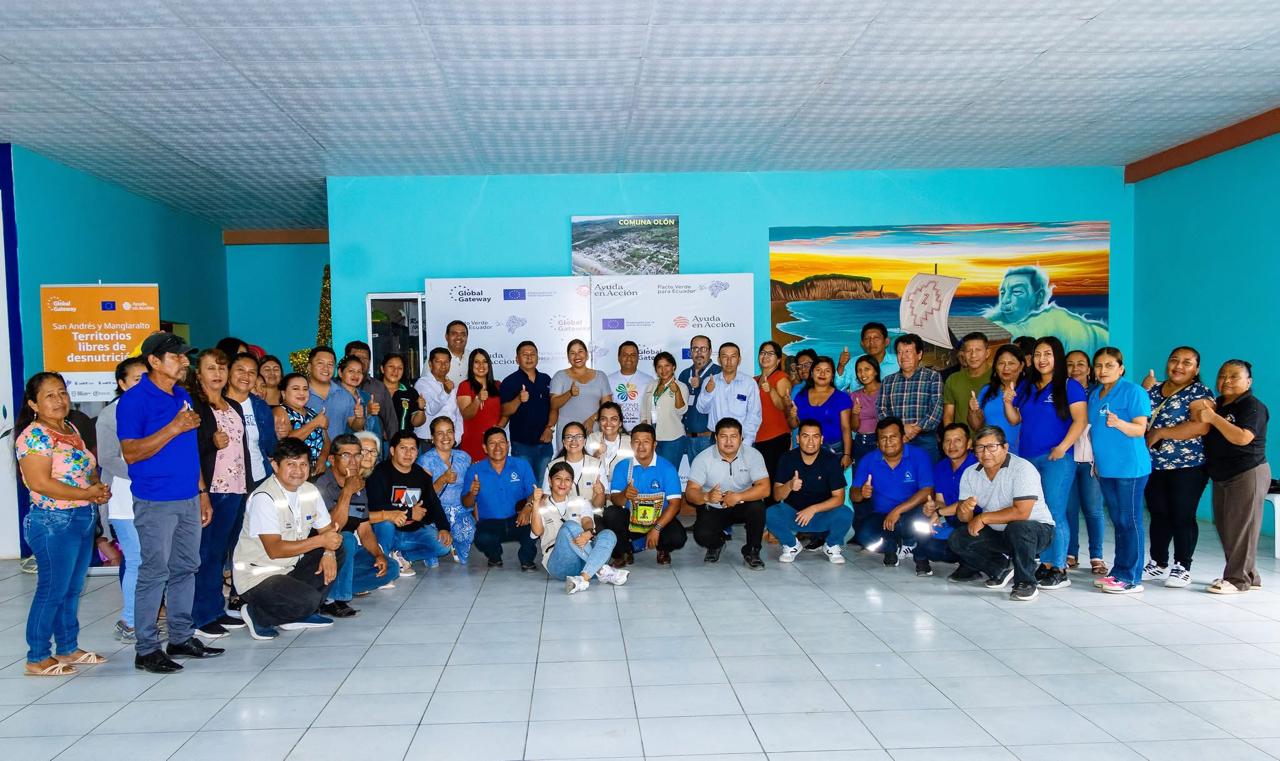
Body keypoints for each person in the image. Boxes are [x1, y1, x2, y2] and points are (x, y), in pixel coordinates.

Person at [117, 332, 223, 673]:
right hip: (155, 500)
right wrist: (174, 427)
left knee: (186, 567)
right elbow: (131, 452)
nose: (184, 362)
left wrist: (202, 492)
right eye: (176, 356)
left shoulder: (181, 395)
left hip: (189, 496)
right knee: (154, 572)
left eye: (184, 356)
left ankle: (180, 636)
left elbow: (190, 451)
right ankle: (146, 649)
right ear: (154, 361)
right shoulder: (134, 401)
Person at [16, 372, 112, 677]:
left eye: (62, 393)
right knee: (52, 590)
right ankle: (37, 656)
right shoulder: (34, 436)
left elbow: (84, 469)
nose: (59, 400)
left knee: (72, 588)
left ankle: (68, 647)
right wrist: (87, 493)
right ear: (33, 404)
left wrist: (96, 488)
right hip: (53, 521)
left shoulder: (70, 428)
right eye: (49, 395)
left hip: (82, 516)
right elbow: (40, 483)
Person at [233, 438, 346, 640]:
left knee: (339, 548)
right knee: (309, 600)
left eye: (303, 464)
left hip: (289, 568)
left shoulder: (309, 490)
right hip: (258, 576)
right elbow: (275, 549)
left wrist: (329, 551)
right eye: (291, 464)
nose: (298, 471)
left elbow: (328, 531)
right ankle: (257, 614)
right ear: (275, 466)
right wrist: (322, 542)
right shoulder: (264, 497)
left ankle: (296, 613)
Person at [943, 426, 1057, 602]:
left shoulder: (1022, 468)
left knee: (1018, 528)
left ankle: (1026, 583)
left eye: (991, 447)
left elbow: (1022, 512)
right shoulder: (970, 473)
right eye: (980, 448)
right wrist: (964, 510)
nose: (985, 453)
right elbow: (965, 518)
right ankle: (1001, 568)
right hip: (999, 531)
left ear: (1005, 447)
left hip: (1036, 530)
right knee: (959, 538)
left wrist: (983, 517)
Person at [187, 349, 252, 638]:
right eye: (211, 368)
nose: (217, 374)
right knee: (205, 553)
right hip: (211, 489)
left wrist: (247, 485)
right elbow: (188, 450)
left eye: (222, 368)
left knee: (222, 552)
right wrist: (211, 443)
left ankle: (216, 609)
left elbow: (241, 449)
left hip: (236, 488)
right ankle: (199, 616)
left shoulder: (233, 405)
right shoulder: (195, 407)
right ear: (198, 373)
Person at [1017, 336, 1087, 591]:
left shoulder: (1070, 386)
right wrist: (1006, 401)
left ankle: (1059, 567)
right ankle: (1045, 563)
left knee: (1055, 511)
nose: (1042, 359)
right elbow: (1015, 418)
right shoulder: (1027, 386)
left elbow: (1080, 421)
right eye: (1037, 354)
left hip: (1056, 458)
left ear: (1057, 357)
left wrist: (1062, 447)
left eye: (1047, 354)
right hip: (1028, 459)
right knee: (1038, 513)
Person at [1141, 346, 1213, 588]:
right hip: (1154, 465)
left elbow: (1201, 426)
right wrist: (1144, 389)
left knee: (1182, 515)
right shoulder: (1154, 389)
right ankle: (1158, 562)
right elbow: (1139, 416)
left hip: (1188, 466)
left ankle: (1182, 566)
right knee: (1159, 514)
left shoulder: (1199, 392)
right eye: (1174, 360)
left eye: (1187, 362)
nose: (1179, 366)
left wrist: (1161, 432)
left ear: (1196, 369)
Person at [1196, 360, 1270, 595]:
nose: (1226, 380)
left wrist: (1213, 418)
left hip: (1247, 472)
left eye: (1234, 376)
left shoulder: (1252, 406)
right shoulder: (1217, 404)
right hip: (1222, 474)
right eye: (1222, 375)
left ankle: (1238, 580)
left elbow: (1242, 438)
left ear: (1248, 382)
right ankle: (1250, 575)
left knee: (1241, 529)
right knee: (1228, 528)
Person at [1086, 348, 1152, 594]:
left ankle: (1131, 577)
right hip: (1106, 468)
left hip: (1130, 468)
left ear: (1121, 368)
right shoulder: (1095, 394)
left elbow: (1140, 429)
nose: (1103, 370)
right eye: (1099, 365)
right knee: (1119, 521)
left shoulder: (1133, 392)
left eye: (1109, 365)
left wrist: (1119, 423)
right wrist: (1096, 461)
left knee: (1130, 521)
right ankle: (1119, 572)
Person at [313, 434, 400, 618]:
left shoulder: (359, 485)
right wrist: (347, 492)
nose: (353, 461)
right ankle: (334, 600)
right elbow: (332, 528)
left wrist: (378, 554)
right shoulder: (321, 485)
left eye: (357, 455)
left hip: (343, 555)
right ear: (332, 460)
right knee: (346, 538)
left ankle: (325, 591)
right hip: (320, 554)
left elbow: (365, 530)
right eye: (346, 455)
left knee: (391, 568)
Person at [99, 357, 147, 644]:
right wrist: (145, 471)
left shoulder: (157, 408)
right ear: (122, 383)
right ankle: (129, 621)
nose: (144, 384)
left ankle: (146, 616)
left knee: (154, 560)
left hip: (155, 495)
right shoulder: (110, 414)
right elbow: (107, 458)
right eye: (137, 379)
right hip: (124, 498)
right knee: (136, 559)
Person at [529, 463, 630, 594]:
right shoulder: (541, 505)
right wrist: (536, 503)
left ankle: (583, 578)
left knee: (608, 534)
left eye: (567, 479)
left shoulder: (580, 500)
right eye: (558, 478)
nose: (563, 483)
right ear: (549, 480)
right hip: (560, 563)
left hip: (586, 562)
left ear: (572, 483)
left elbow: (587, 521)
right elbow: (536, 532)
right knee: (569, 526)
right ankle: (602, 570)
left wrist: (588, 532)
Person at [685, 418, 772, 569]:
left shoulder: (753, 455)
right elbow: (690, 492)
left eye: (733, 436)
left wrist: (738, 496)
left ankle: (752, 551)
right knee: (701, 535)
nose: (729, 441)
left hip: (742, 504)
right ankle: (717, 544)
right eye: (723, 436)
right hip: (714, 506)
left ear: (741, 438)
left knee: (757, 507)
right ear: (716, 437)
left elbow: (765, 488)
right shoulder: (703, 458)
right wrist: (706, 496)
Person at [851, 417, 935, 566]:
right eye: (883, 438)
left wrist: (897, 511)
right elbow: (853, 494)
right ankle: (894, 542)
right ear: (877, 442)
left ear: (903, 437)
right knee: (864, 537)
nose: (888, 442)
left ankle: (904, 540)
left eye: (893, 437)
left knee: (914, 522)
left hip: (910, 512)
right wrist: (862, 493)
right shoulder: (868, 460)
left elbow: (927, 491)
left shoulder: (919, 455)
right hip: (881, 515)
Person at [767, 420, 852, 564]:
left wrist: (813, 509)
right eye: (805, 436)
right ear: (798, 438)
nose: (810, 442)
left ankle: (832, 545)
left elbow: (839, 498)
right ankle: (791, 545)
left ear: (822, 439)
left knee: (845, 513)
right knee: (770, 513)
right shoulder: (787, 458)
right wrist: (789, 485)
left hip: (822, 514)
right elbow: (776, 495)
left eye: (815, 436)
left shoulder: (831, 460)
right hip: (795, 514)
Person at [603, 423, 688, 566]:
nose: (641, 446)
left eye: (646, 442)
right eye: (636, 441)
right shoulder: (623, 466)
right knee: (611, 514)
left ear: (655, 444)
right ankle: (625, 552)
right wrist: (625, 494)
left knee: (677, 537)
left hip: (658, 520)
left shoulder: (667, 468)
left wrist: (657, 529)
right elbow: (616, 500)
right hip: (632, 521)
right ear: (631, 444)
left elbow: (675, 505)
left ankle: (662, 549)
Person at [983, 265, 1108, 358]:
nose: (1005, 300)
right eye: (1003, 292)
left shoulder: (1052, 321)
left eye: (1016, 292)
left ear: (1040, 297)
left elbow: (1017, 332)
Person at [371, 431, 453, 571]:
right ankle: (385, 559)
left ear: (417, 453)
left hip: (413, 531)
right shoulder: (380, 473)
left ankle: (402, 556)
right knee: (385, 524)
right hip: (388, 531)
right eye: (403, 448)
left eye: (413, 449)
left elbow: (434, 503)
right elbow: (376, 506)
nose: (408, 453)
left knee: (444, 547)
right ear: (392, 451)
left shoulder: (421, 475)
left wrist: (444, 527)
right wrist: (410, 513)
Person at [463, 427, 539, 570]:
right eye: (492, 443)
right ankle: (494, 556)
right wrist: (472, 493)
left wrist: (528, 508)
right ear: (485, 448)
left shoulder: (521, 465)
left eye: (502, 442)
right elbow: (466, 503)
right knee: (482, 539)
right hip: (490, 522)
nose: (498, 447)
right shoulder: (475, 470)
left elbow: (534, 493)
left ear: (508, 445)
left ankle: (527, 558)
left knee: (536, 525)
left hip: (518, 518)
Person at [911, 423, 978, 577]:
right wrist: (933, 507)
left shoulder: (977, 466)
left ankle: (970, 564)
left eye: (957, 440)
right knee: (920, 516)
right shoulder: (941, 466)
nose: (951, 445)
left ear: (969, 443)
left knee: (962, 523)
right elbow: (941, 500)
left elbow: (967, 503)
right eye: (947, 440)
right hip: (949, 518)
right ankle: (921, 558)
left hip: (972, 519)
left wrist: (940, 512)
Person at [1064, 349, 1106, 574]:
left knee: (1093, 509)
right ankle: (1070, 553)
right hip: (1067, 458)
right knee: (1068, 509)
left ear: (1089, 369)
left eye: (1080, 364)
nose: (1075, 369)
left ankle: (1097, 556)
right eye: (1070, 364)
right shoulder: (1060, 392)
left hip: (1091, 460)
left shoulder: (1099, 393)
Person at [878, 334, 943, 463]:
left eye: (908, 351)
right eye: (899, 352)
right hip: (896, 440)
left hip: (925, 439)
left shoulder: (933, 377)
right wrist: (901, 430)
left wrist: (916, 429)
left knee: (927, 474)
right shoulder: (887, 381)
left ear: (919, 354)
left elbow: (937, 409)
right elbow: (881, 410)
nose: (903, 356)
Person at [501, 340, 556, 481]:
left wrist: (550, 428)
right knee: (525, 485)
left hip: (545, 444)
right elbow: (504, 411)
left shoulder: (546, 379)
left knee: (544, 484)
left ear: (537, 357)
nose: (529, 357)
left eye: (533, 354)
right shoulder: (509, 381)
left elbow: (554, 407)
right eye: (525, 354)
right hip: (522, 445)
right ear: (517, 359)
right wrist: (518, 399)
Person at [787, 356, 852, 472]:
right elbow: (794, 425)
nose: (822, 374)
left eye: (827, 371)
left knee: (831, 483)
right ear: (812, 373)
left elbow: (846, 428)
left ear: (832, 376)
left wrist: (847, 455)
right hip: (807, 448)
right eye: (818, 370)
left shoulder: (841, 397)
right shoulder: (801, 396)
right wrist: (792, 415)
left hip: (834, 450)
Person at [695, 342, 762, 447]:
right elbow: (702, 409)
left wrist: (747, 441)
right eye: (725, 357)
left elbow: (754, 414)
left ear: (739, 360)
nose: (729, 361)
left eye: (733, 357)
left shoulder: (749, 383)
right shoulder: (710, 381)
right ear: (719, 360)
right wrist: (708, 392)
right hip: (716, 439)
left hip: (741, 438)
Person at [549, 338, 612, 447]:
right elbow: (553, 404)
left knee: (594, 458)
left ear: (587, 355)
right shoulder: (560, 376)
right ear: (568, 358)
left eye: (580, 351)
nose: (577, 356)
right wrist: (569, 393)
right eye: (572, 353)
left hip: (593, 432)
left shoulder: (601, 376)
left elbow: (608, 407)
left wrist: (592, 419)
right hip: (568, 435)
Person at [225, 352, 276, 487]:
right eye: (240, 370)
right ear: (228, 372)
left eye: (252, 372)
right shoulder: (215, 404)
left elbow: (271, 446)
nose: (246, 376)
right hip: (226, 483)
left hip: (258, 477)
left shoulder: (261, 407)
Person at [753, 341, 794, 495]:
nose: (765, 356)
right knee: (759, 481)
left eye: (770, 353)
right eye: (763, 353)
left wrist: (771, 390)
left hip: (776, 437)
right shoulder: (754, 380)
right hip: (757, 438)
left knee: (773, 481)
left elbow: (784, 407)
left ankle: (773, 510)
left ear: (778, 360)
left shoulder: (781, 378)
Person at [970, 343, 1024, 454]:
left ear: (1021, 366)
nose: (1006, 368)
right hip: (991, 453)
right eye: (1001, 363)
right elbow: (976, 426)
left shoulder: (1028, 390)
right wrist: (973, 411)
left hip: (1020, 454)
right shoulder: (987, 390)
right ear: (995, 367)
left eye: (1011, 363)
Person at [639, 351, 690, 469]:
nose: (663, 370)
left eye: (667, 366)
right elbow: (644, 408)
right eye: (659, 367)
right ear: (656, 370)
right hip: (652, 438)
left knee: (668, 473)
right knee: (653, 473)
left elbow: (681, 411)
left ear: (673, 367)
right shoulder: (651, 385)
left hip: (673, 438)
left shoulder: (681, 386)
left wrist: (677, 392)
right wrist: (644, 424)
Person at [275, 372, 329, 476]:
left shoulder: (312, 412)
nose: (301, 393)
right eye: (296, 389)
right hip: (293, 473)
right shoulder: (280, 411)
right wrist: (315, 423)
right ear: (283, 393)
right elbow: (286, 444)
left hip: (316, 472)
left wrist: (322, 459)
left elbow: (327, 441)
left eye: (305, 389)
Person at [456, 348, 504, 462]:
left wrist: (500, 426)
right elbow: (466, 415)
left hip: (495, 444)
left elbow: (505, 411)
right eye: (476, 362)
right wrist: (477, 399)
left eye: (484, 361)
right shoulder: (465, 386)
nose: (481, 365)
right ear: (471, 365)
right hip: (474, 442)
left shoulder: (498, 385)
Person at [544, 421, 608, 507]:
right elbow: (547, 498)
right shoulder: (552, 466)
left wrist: (600, 494)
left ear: (585, 441)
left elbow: (599, 505)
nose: (573, 441)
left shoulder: (597, 464)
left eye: (578, 437)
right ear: (563, 442)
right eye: (569, 437)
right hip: (564, 514)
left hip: (592, 514)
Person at [678, 334, 720, 465]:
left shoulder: (719, 372)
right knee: (696, 476)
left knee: (713, 476)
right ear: (690, 352)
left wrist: (702, 383)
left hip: (710, 438)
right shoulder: (684, 374)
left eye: (703, 349)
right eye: (695, 349)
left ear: (710, 351)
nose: (699, 352)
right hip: (689, 438)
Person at [344, 340, 397, 441]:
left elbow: (391, 421)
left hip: (374, 444)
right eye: (356, 357)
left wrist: (394, 445)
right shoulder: (336, 388)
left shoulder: (379, 387)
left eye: (365, 358)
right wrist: (366, 411)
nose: (361, 361)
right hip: (345, 444)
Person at [415, 346, 464, 445]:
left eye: (446, 362)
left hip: (449, 442)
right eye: (438, 362)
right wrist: (445, 392)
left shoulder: (451, 384)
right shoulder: (422, 384)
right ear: (430, 364)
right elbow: (430, 410)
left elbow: (458, 416)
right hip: (429, 443)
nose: (443, 366)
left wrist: (456, 439)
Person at [943, 333, 991, 426]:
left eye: (978, 350)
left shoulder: (997, 377)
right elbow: (948, 415)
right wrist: (950, 433)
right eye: (969, 351)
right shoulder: (953, 379)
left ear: (987, 353)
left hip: (992, 434)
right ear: (963, 354)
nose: (973, 355)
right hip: (962, 434)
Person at [305, 346, 352, 442]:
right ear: (309, 367)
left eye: (330, 364)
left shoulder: (344, 395)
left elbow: (355, 425)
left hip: (336, 450)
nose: (326, 368)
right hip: (303, 451)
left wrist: (359, 417)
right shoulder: (299, 394)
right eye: (320, 363)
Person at [836, 322, 898, 391]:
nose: (871, 342)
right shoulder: (854, 362)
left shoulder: (898, 362)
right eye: (867, 338)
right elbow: (838, 387)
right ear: (862, 343)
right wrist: (841, 365)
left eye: (876, 338)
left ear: (886, 341)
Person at [608, 340, 655, 429]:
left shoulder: (649, 380)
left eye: (633, 355)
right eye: (625, 355)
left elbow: (654, 409)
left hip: (641, 432)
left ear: (638, 358)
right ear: (618, 358)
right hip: (616, 431)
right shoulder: (608, 380)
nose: (629, 358)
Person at [380, 352, 426, 436]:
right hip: (376, 440)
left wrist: (421, 409)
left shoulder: (410, 392)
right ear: (382, 369)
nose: (395, 371)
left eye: (400, 368)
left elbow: (416, 423)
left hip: (404, 440)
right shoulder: (374, 389)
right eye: (391, 366)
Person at [585, 401, 633, 479]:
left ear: (620, 423)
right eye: (603, 419)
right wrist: (597, 454)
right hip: (596, 484)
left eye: (613, 419)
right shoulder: (592, 439)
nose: (608, 423)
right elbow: (585, 467)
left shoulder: (630, 442)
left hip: (622, 484)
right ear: (599, 422)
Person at [335, 354, 379, 439]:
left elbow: (375, 428)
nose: (356, 375)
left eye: (359, 372)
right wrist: (366, 412)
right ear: (340, 372)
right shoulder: (334, 395)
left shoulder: (366, 396)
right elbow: (355, 428)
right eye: (351, 371)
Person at [850, 355, 881, 466]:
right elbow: (854, 428)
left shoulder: (885, 391)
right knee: (860, 475)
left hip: (881, 441)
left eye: (867, 369)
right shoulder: (855, 396)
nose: (862, 374)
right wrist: (855, 413)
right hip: (860, 442)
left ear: (876, 371)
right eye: (859, 371)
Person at [443, 319, 470, 385]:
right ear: (446, 337)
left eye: (463, 334)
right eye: (454, 334)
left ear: (467, 337)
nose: (459, 337)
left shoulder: (472, 357)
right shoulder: (436, 358)